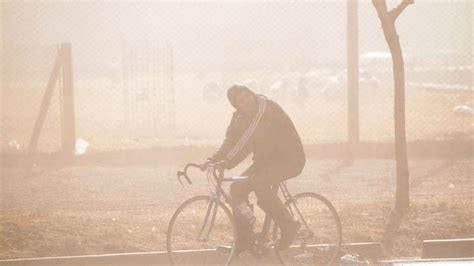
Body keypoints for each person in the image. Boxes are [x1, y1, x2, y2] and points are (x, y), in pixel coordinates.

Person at [204, 84, 306, 254]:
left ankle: (289, 225)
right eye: (241, 101)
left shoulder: (264, 107)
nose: (247, 102)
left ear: (252, 94)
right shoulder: (239, 117)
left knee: (259, 183)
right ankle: (245, 240)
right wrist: (212, 160)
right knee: (237, 189)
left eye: (247, 96)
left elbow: (246, 141)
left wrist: (227, 161)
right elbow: (230, 142)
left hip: (290, 159)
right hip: (266, 162)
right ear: (237, 106)